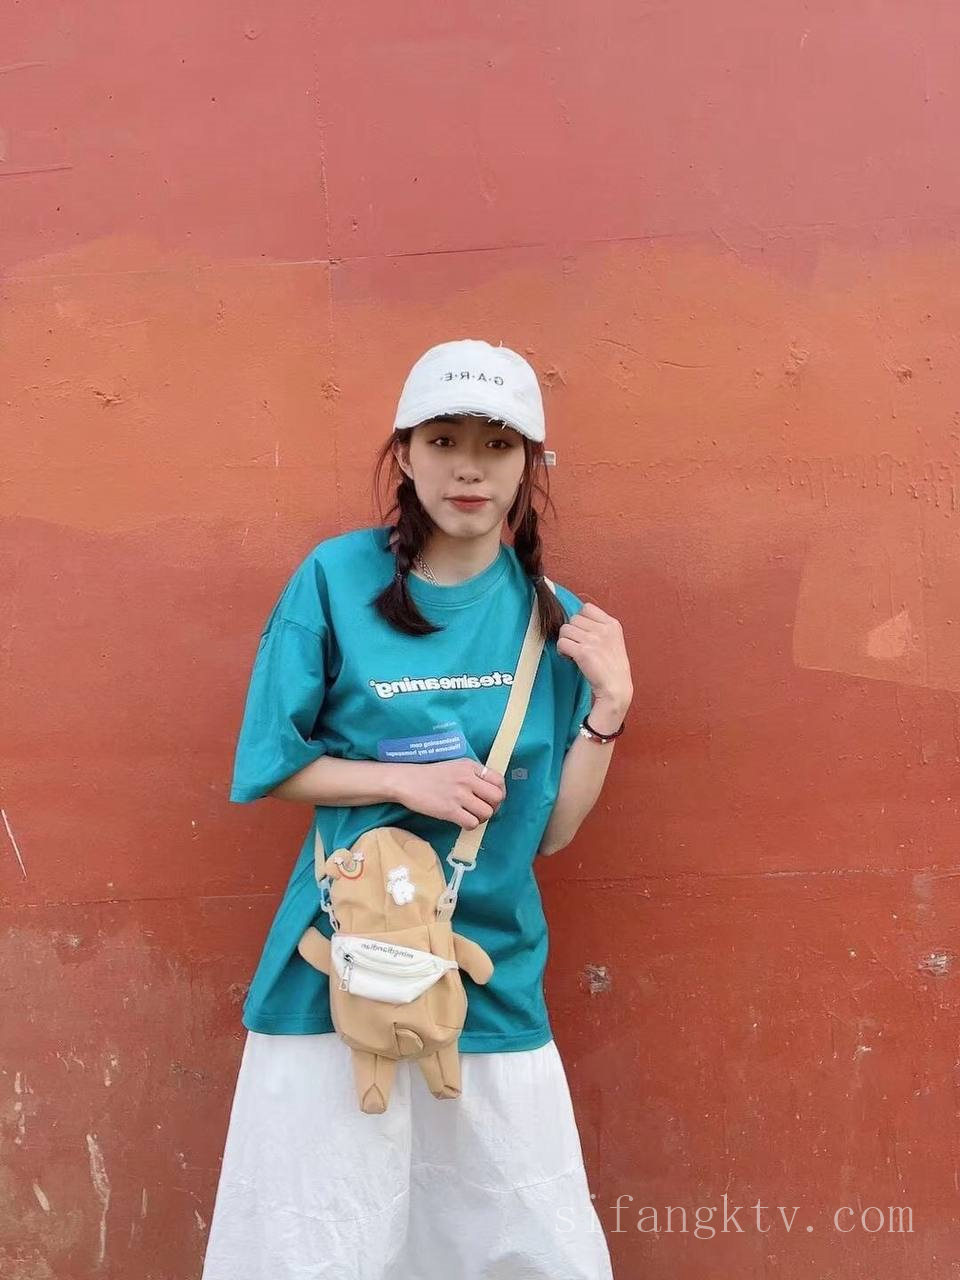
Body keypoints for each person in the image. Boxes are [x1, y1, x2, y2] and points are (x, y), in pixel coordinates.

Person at [201, 339, 633, 1280]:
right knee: (319, 1239)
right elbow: (269, 765)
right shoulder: (335, 580)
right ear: (404, 453)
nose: (468, 468)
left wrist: (610, 706)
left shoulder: (555, 619)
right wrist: (401, 782)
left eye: (497, 444)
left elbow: (551, 833)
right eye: (443, 441)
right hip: (339, 966)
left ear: (530, 464)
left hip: (490, 970)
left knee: (519, 1240)